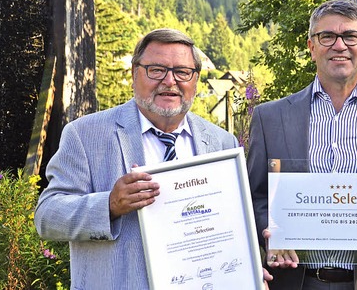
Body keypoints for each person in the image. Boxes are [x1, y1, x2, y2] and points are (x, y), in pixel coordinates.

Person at [34, 28, 240, 289]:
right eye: (156, 70)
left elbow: (230, 229)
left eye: (182, 72)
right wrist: (109, 204)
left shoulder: (222, 143)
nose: (169, 81)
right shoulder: (84, 135)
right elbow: (47, 217)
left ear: (195, 79)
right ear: (134, 73)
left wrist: (247, 271)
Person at [247, 0, 357, 290]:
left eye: (350, 36)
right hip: (296, 281)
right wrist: (269, 229)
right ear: (311, 47)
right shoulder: (270, 118)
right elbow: (254, 197)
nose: (339, 45)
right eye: (327, 36)